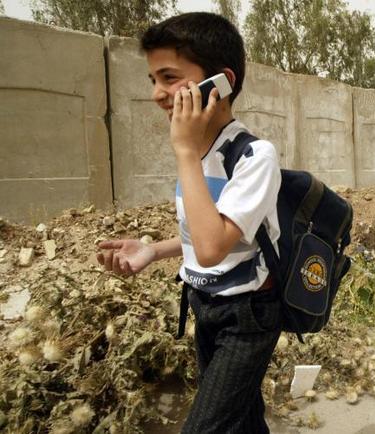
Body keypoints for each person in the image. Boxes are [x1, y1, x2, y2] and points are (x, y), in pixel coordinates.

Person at [96, 13, 282, 433]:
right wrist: (154, 250)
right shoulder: (197, 151)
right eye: (152, 80)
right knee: (243, 416)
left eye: (169, 77)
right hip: (204, 304)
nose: (158, 94)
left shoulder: (254, 157)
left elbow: (214, 246)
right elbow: (202, 233)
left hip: (246, 315)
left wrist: (183, 153)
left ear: (220, 82)